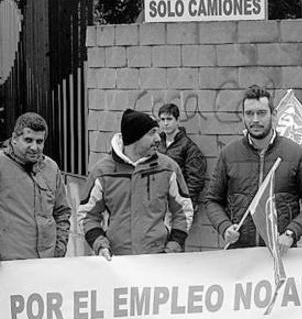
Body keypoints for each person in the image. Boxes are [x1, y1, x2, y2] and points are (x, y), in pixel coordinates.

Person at [204, 85, 302, 251]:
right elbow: (213, 201)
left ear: (273, 115)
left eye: (261, 113)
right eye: (249, 113)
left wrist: (291, 233)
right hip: (241, 256)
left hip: (282, 254)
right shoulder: (228, 154)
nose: (255, 120)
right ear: (243, 117)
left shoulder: (296, 154)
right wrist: (224, 227)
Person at [80, 109, 193, 258]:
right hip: (117, 262)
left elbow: (183, 211)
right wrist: (100, 246)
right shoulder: (102, 172)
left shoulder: (168, 167)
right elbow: (88, 215)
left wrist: (172, 248)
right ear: (135, 138)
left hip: (159, 260)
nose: (158, 138)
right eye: (152, 133)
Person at [0, 112, 71, 260]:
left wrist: (59, 249)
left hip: (46, 264)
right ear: (14, 138)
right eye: (28, 140)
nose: (34, 147)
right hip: (10, 265)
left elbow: (62, 212)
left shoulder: (51, 168)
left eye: (39, 141)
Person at [157, 103, 207, 203]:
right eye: (162, 119)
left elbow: (195, 180)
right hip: (158, 202)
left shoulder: (188, 147)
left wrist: (185, 201)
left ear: (178, 120)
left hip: (177, 203)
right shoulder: (156, 143)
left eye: (169, 119)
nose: (165, 123)